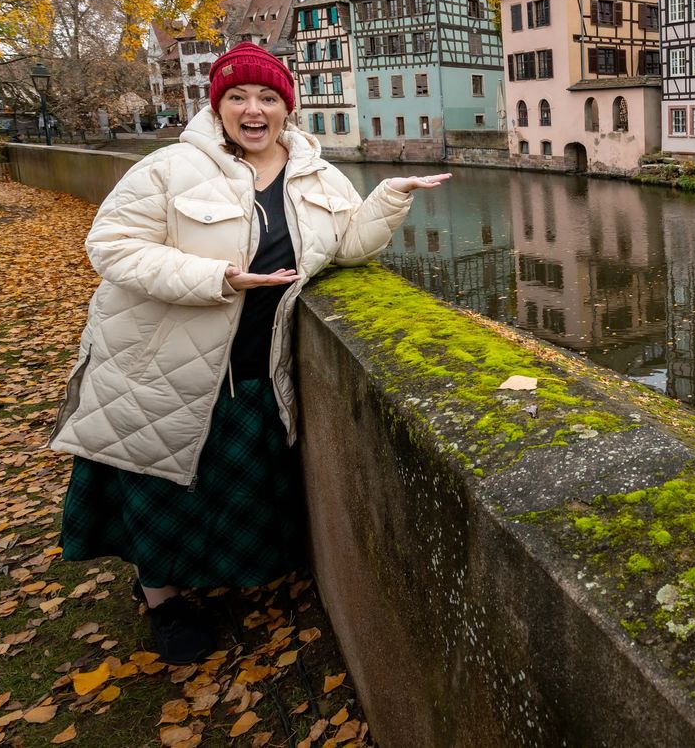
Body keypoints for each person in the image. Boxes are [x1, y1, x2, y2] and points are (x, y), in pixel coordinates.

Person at [49, 41, 449, 662]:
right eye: (238, 96)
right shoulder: (168, 168)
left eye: (268, 97)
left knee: (218, 483)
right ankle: (162, 600)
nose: (254, 109)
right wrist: (217, 281)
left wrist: (389, 199)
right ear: (218, 106)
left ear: (287, 106)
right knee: (158, 484)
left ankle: (210, 577)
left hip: (255, 368)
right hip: (161, 361)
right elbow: (112, 247)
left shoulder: (317, 172)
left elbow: (345, 246)